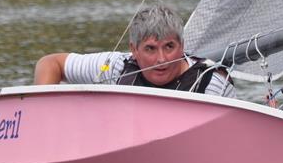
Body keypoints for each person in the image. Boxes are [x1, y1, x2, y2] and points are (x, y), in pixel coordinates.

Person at [33, 5, 234, 97]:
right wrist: (41, 110)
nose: (161, 59)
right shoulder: (115, 67)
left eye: (169, 47)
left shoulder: (213, 83)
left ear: (182, 46)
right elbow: (51, 63)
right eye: (150, 49)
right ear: (134, 50)